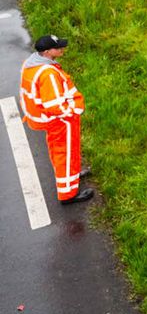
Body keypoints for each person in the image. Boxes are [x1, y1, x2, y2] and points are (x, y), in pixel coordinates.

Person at [19, 34, 93, 204]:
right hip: (60, 120)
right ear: (46, 52)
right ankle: (68, 194)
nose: (61, 48)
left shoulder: (31, 63)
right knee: (64, 154)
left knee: (60, 151)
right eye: (57, 47)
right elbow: (54, 105)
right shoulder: (48, 74)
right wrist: (72, 112)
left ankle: (72, 174)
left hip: (47, 119)